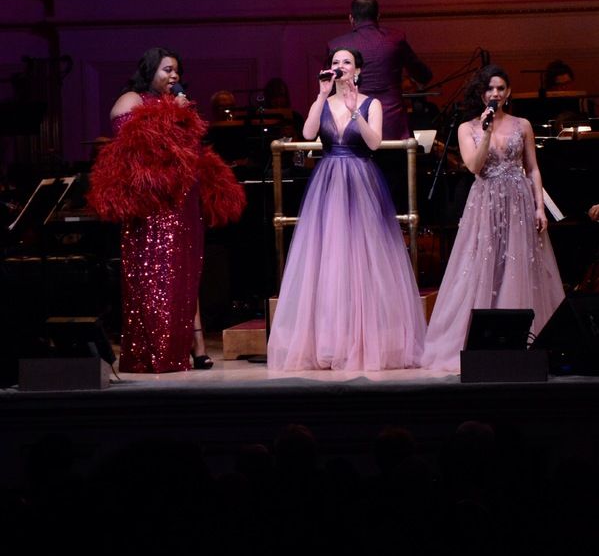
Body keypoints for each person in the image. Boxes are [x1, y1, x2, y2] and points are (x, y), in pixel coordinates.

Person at [87, 47, 246, 373]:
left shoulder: (176, 104)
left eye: (176, 70)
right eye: (167, 69)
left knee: (186, 274)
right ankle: (159, 350)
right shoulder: (131, 99)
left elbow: (190, 152)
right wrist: (174, 115)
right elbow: (139, 146)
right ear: (150, 70)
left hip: (183, 203)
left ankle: (197, 348)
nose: (174, 76)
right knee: (156, 278)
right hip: (153, 206)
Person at [267, 48, 426, 371]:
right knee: (330, 258)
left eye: (347, 62)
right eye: (335, 62)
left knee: (362, 257)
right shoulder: (324, 102)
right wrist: (320, 96)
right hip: (328, 181)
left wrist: (355, 113)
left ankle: (364, 340)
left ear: (358, 71)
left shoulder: (371, 103)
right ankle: (331, 342)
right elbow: (308, 133)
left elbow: (374, 143)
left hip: (360, 179)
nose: (340, 66)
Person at [422, 64, 565, 372]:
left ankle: (524, 344)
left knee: (518, 263)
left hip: (519, 200)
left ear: (508, 92)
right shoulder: (468, 128)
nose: (496, 93)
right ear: (482, 94)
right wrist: (486, 132)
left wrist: (539, 207)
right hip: (485, 201)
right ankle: (483, 343)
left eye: (501, 88)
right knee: (484, 263)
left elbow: (533, 168)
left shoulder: (522, 124)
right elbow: (474, 166)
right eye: (490, 89)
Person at [327, 0, 432, 139]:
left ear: (351, 18)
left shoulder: (337, 45)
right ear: (378, 16)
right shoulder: (396, 39)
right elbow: (423, 75)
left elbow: (329, 86)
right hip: (391, 121)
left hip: (353, 120)